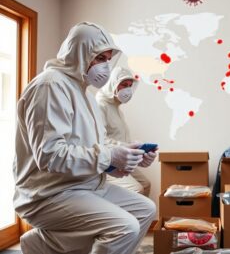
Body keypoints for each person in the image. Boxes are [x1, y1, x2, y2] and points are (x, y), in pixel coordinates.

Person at [13, 22, 157, 254]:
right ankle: (45, 243)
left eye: (108, 59)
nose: (106, 67)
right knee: (124, 227)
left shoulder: (84, 94)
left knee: (145, 209)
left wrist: (127, 155)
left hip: (84, 185)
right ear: (79, 53)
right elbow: (50, 155)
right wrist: (110, 155)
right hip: (48, 194)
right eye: (100, 58)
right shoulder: (50, 86)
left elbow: (95, 147)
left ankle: (44, 244)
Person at [96, 66, 152, 196]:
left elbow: (118, 136)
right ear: (113, 83)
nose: (127, 89)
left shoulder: (116, 107)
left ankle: (137, 216)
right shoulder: (100, 104)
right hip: (109, 162)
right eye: (124, 84)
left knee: (146, 184)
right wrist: (127, 147)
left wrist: (138, 149)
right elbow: (100, 139)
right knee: (136, 189)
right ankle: (122, 215)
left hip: (123, 159)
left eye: (129, 85)